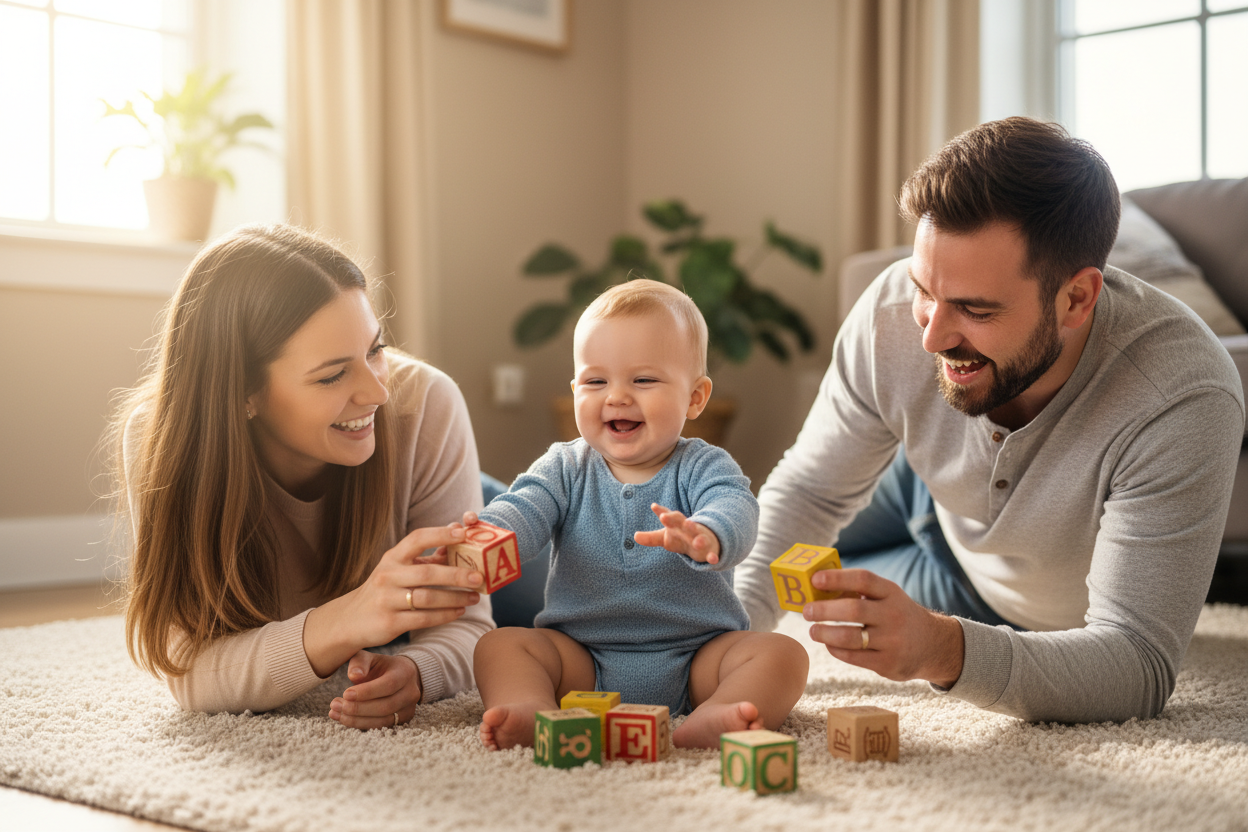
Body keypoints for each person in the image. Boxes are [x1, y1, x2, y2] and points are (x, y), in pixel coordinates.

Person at [734, 117, 1245, 723]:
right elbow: (814, 493)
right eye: (925, 289)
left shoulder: (1180, 393)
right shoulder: (893, 315)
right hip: (916, 479)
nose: (930, 337)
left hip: (976, 597)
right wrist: (731, 639)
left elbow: (1136, 664)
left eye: (975, 309)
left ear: (1077, 298)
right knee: (728, 552)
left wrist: (943, 648)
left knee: (843, 601)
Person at [111, 224, 491, 728]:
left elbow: (469, 627)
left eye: (375, 350)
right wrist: (348, 618)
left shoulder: (423, 404)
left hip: (476, 506)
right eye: (333, 375)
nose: (378, 393)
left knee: (584, 613)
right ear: (243, 392)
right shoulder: (163, 442)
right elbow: (190, 672)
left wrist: (418, 670)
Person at [467, 279, 809, 750]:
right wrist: (486, 536)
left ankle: (718, 714)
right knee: (500, 646)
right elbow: (523, 506)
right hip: (580, 659)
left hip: (697, 658)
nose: (617, 396)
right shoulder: (565, 466)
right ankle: (532, 708)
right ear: (575, 390)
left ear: (695, 397)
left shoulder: (703, 464)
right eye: (595, 381)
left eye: (643, 380)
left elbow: (737, 506)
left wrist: (707, 532)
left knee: (783, 654)